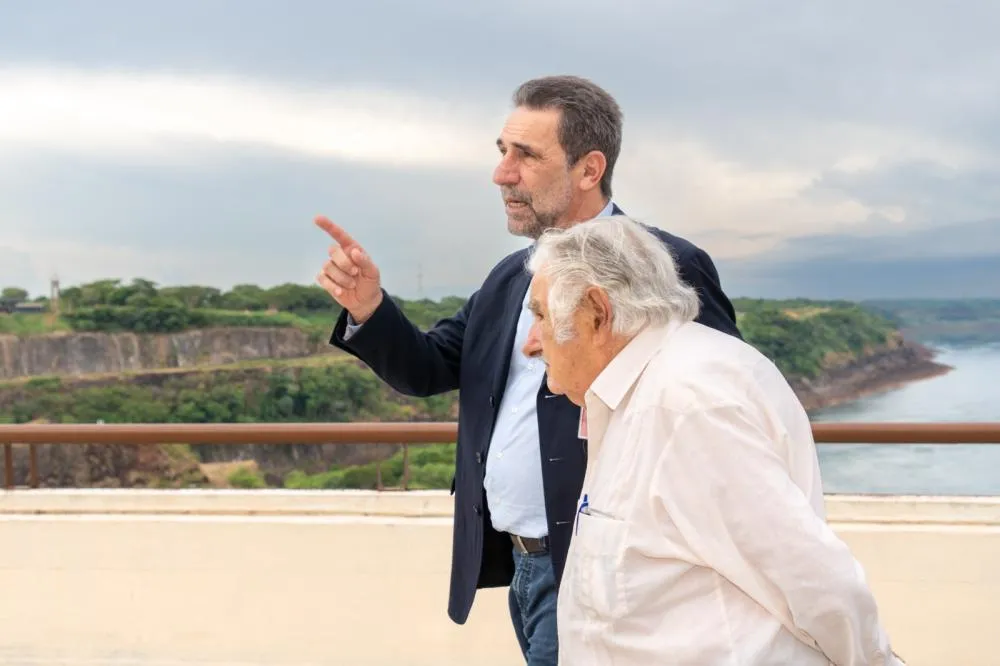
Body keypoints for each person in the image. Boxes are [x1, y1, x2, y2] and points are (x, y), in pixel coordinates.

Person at [313, 75, 741, 665]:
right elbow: (429, 368)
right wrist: (368, 308)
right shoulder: (510, 277)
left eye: (526, 155)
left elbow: (720, 404)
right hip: (521, 563)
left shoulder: (665, 266)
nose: (501, 173)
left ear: (589, 170)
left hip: (602, 571)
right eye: (502, 152)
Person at [520, 215, 906, 666]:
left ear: (597, 313)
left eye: (541, 315)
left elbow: (813, 578)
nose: (531, 343)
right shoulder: (641, 392)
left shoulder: (687, 405)